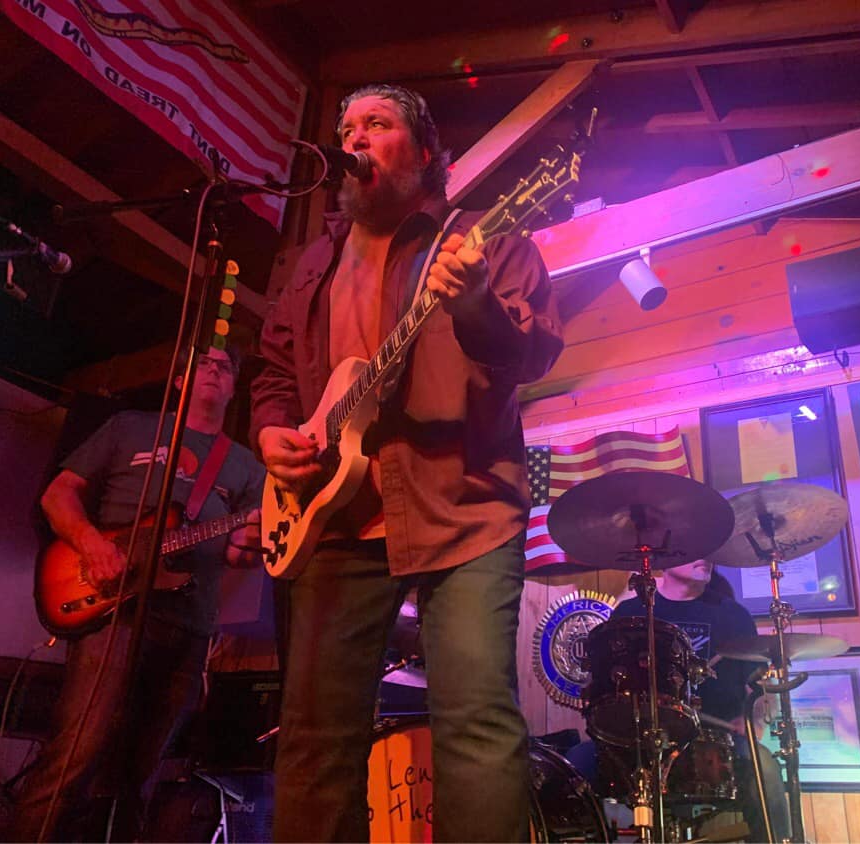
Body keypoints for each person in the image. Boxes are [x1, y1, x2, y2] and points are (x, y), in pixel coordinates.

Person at [250, 84, 563, 841]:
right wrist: (270, 433)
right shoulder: (312, 262)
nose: (354, 138)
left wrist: (474, 302)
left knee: (475, 725)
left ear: (424, 153)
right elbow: (273, 373)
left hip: (464, 506)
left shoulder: (487, 242)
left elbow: (529, 354)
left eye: (376, 124)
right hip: (334, 516)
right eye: (346, 127)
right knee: (313, 736)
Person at [5, 346, 265, 841]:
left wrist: (251, 548)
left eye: (225, 367)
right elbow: (57, 495)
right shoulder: (129, 427)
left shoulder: (246, 465)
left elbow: (239, 553)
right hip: (114, 614)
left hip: (190, 626)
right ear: (179, 381)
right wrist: (93, 545)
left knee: (139, 777)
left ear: (234, 387)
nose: (215, 370)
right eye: (203, 363)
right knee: (74, 758)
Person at [573, 559, 792, 842]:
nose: (704, 557)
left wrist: (754, 720)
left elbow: (759, 687)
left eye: (707, 550)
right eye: (693, 550)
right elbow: (602, 684)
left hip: (717, 740)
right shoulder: (630, 613)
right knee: (574, 765)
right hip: (636, 742)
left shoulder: (733, 615)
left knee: (766, 770)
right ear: (665, 559)